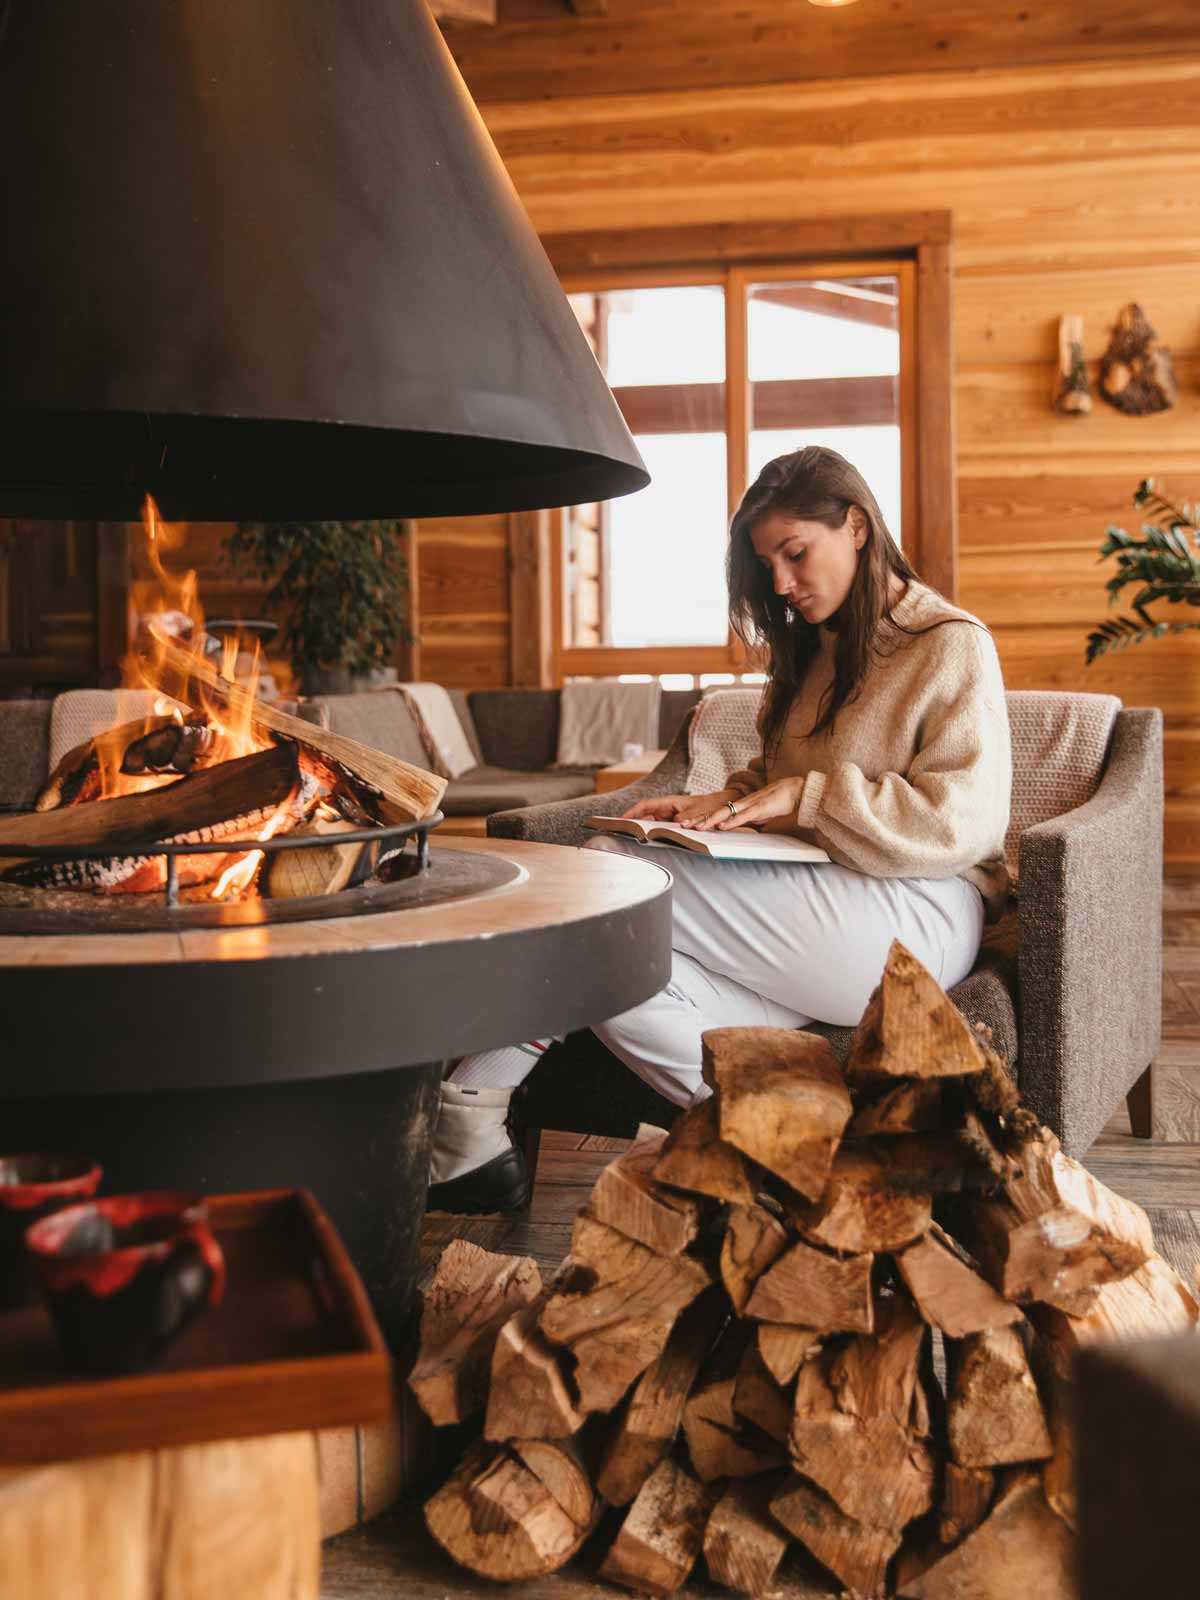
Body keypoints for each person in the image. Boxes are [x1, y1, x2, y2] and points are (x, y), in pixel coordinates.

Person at [427, 445, 1012, 1213]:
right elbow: (782, 779)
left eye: (794, 553)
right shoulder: (813, 653)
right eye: (766, 563)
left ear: (858, 528)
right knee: (615, 967)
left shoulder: (950, 644)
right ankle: (787, 1144)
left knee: (608, 876)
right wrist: (715, 803)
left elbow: (960, 822)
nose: (780, 583)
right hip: (816, 912)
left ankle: (466, 1110)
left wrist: (804, 797)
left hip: (919, 911)